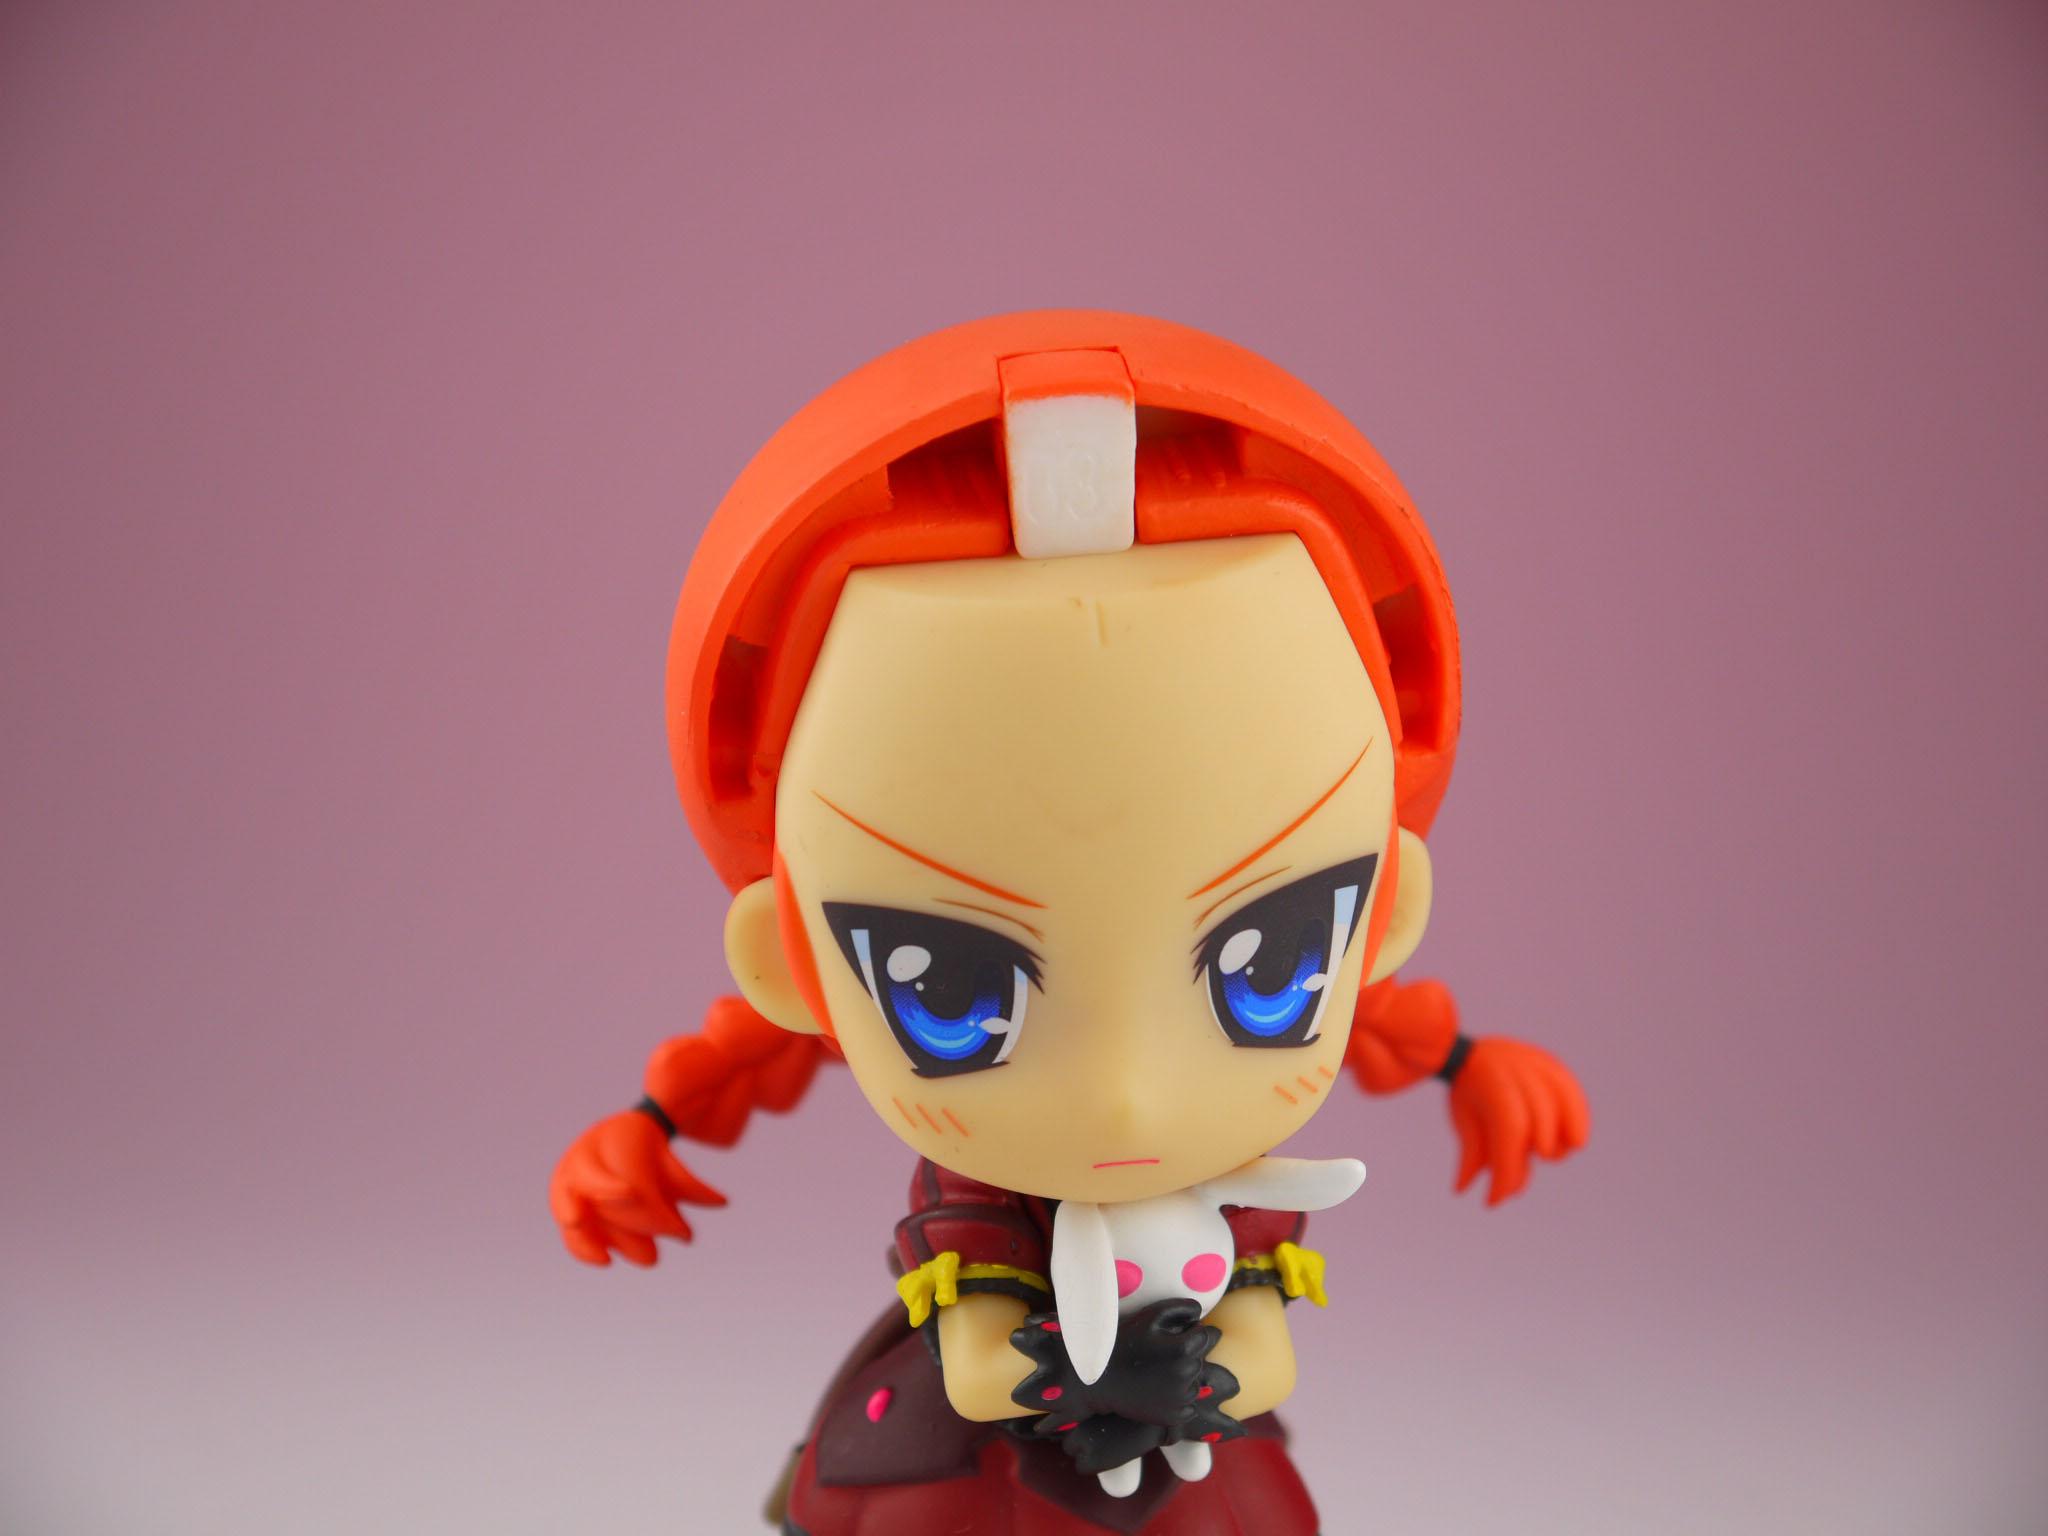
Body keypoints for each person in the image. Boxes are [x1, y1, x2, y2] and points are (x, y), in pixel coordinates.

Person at [548, 311, 1589, 1533]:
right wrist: (1085, 1380)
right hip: (979, 1468)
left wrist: (1183, 1383)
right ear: (796, 964)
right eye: (950, 993)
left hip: (1187, 1450)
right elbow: (976, 1361)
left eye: (1272, 969)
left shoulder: (1242, 1188)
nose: (1126, 1103)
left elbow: (1263, 1348)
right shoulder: (979, 1198)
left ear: (1385, 915)